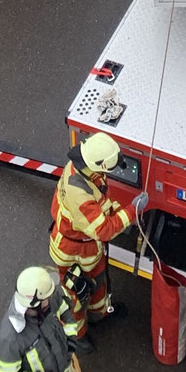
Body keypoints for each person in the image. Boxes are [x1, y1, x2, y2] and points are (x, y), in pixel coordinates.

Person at [47, 130, 146, 342]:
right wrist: (131, 213)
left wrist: (118, 211)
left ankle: (98, 315)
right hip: (73, 250)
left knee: (97, 283)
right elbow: (104, 230)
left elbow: (100, 203)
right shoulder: (79, 193)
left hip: (84, 245)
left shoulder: (81, 168)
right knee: (75, 296)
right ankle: (76, 336)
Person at [0, 266, 81, 372]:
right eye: (45, 299)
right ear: (33, 304)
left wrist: (71, 343)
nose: (50, 298)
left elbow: (65, 311)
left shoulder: (47, 297)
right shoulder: (10, 339)